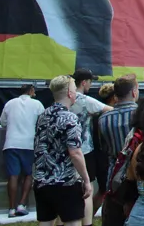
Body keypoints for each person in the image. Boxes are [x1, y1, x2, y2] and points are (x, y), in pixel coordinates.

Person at [33, 75, 91, 226]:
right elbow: (75, 153)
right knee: (72, 222)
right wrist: (86, 180)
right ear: (70, 94)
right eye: (74, 90)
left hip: (42, 181)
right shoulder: (70, 118)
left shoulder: (43, 116)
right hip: (65, 182)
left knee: (45, 222)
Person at [70, 67, 112, 223]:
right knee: (87, 188)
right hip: (84, 150)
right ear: (83, 82)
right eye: (90, 81)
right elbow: (110, 110)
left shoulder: (66, 98)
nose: (91, 85)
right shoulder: (85, 101)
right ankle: (87, 222)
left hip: (65, 150)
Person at [98, 73, 139, 224]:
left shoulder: (103, 119)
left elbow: (103, 147)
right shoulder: (142, 114)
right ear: (134, 92)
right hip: (139, 176)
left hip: (113, 177)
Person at [0, 83, 44, 219]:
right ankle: (22, 204)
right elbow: (43, 123)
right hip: (29, 144)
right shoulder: (37, 104)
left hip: (11, 143)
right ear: (31, 90)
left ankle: (11, 208)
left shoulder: (9, 103)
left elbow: (3, 122)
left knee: (13, 176)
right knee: (28, 175)